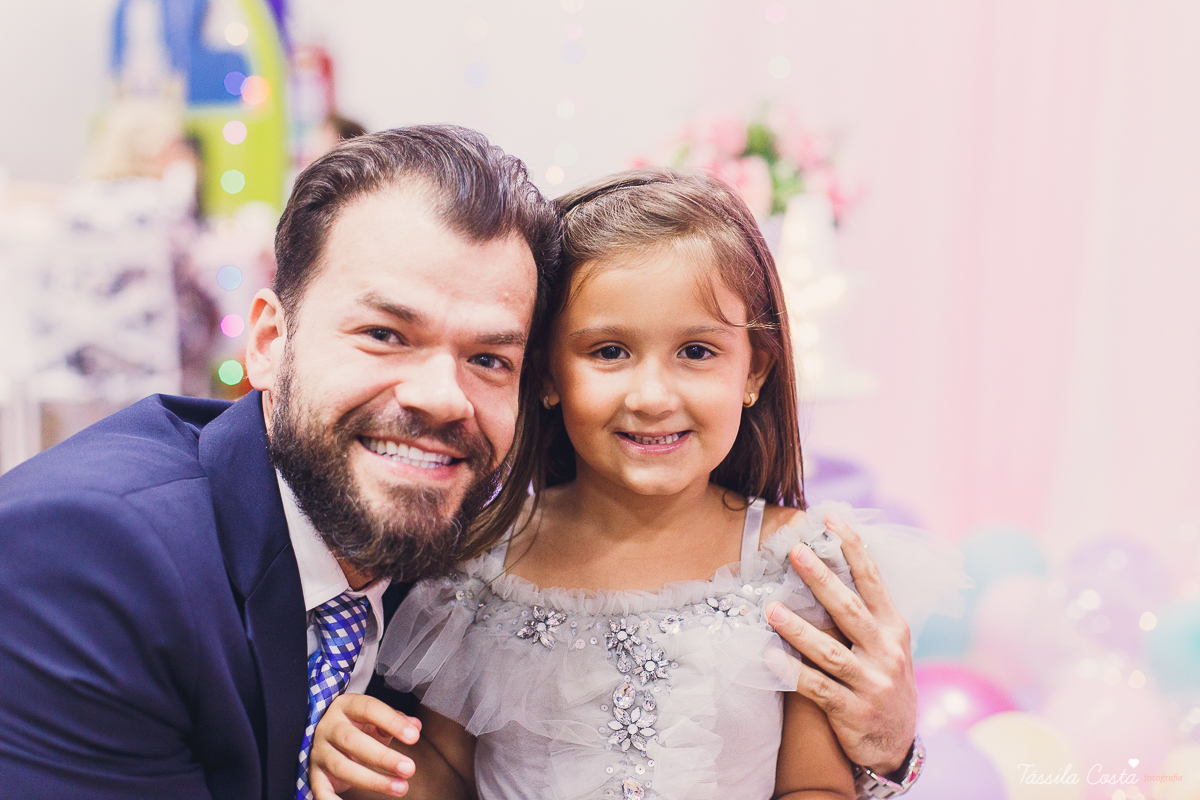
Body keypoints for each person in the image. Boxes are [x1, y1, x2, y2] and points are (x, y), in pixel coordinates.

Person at [309, 170, 964, 800]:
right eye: (610, 352)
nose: (652, 397)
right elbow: (448, 777)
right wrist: (369, 758)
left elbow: (814, 784)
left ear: (754, 371)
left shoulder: (799, 568)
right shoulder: (481, 570)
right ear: (544, 374)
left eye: (697, 352)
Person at [0, 125, 559, 800]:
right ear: (268, 343)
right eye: (385, 335)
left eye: (489, 360)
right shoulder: (90, 556)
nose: (444, 399)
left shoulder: (480, 569)